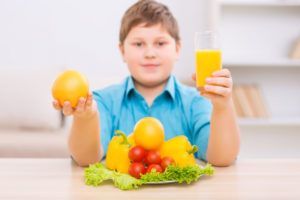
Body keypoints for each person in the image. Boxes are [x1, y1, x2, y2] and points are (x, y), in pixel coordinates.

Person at [53, 0, 240, 167]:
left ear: (177, 49)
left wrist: (223, 107)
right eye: (138, 44)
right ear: (122, 51)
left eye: (160, 43)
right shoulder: (103, 101)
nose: (150, 53)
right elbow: (86, 159)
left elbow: (222, 159)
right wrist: (86, 118)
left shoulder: (196, 101)